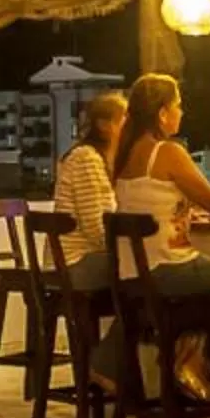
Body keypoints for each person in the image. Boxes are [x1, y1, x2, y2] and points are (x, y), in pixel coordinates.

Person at [102, 71, 210, 398]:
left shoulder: (122, 154)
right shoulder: (167, 152)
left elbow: (153, 202)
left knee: (201, 296)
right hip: (167, 267)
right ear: (163, 113)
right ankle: (193, 356)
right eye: (179, 106)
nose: (182, 113)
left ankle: (179, 346)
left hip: (131, 274)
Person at [49, 89, 128, 294]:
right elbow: (95, 227)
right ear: (104, 125)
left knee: (143, 267)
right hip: (75, 262)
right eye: (124, 120)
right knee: (144, 267)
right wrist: (129, 245)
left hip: (81, 259)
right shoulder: (86, 158)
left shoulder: (97, 158)